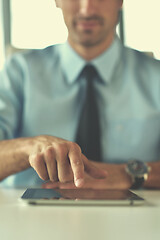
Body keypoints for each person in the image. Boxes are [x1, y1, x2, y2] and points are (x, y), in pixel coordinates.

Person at [0, 0, 160, 189]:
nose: (86, 9)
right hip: (26, 213)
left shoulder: (155, 78)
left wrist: (129, 174)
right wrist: (27, 149)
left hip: (138, 215)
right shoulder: (18, 73)